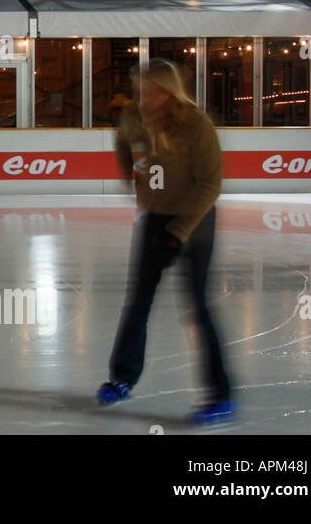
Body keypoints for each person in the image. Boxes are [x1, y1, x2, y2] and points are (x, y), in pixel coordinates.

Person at [97, 59, 233, 426]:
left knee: (198, 308)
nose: (142, 98)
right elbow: (123, 145)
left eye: (149, 91)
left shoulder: (196, 124)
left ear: (168, 91)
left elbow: (210, 186)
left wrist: (179, 232)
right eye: (138, 90)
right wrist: (135, 184)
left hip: (195, 221)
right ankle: (122, 377)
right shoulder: (134, 116)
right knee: (138, 301)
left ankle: (221, 395)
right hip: (156, 218)